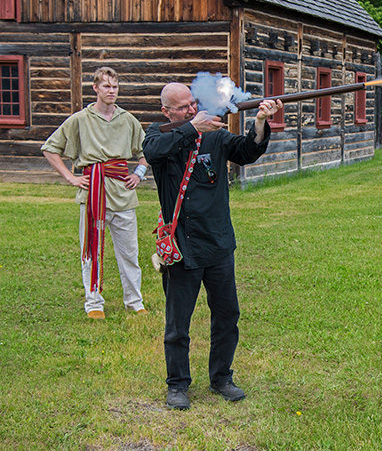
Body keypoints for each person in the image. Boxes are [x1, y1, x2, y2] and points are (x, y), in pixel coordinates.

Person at [143, 82, 281, 410]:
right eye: (183, 107)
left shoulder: (215, 136)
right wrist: (192, 127)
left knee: (227, 315)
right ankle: (177, 385)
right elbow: (153, 152)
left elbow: (247, 151)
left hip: (218, 242)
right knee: (178, 324)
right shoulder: (158, 134)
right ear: (167, 112)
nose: (192, 109)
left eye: (193, 104)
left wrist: (260, 120)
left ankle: (221, 378)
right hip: (181, 245)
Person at [41, 66, 149, 319]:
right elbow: (50, 148)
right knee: (90, 250)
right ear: (96, 88)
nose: (111, 91)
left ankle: (134, 301)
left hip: (122, 193)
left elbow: (147, 152)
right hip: (93, 194)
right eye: (106, 86)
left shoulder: (128, 119)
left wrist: (138, 174)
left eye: (115, 87)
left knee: (129, 253)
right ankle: (94, 304)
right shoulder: (80, 119)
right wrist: (70, 177)